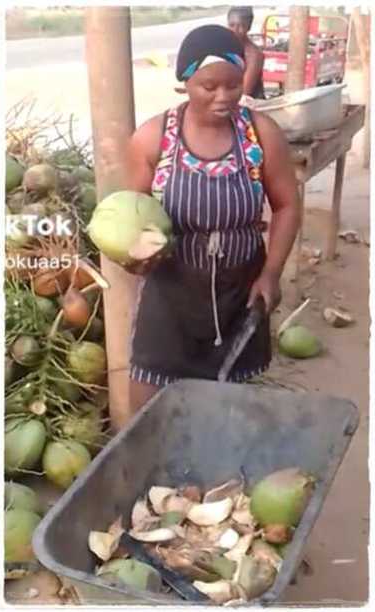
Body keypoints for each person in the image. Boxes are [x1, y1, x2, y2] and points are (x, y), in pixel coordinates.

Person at [121, 25, 300, 429]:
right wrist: (136, 256)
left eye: (234, 85)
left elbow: (287, 205)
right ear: (184, 81)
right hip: (170, 296)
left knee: (233, 414)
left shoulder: (260, 135)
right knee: (151, 412)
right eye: (209, 86)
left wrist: (272, 273)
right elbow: (132, 215)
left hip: (240, 291)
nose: (224, 97)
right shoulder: (153, 139)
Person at [227, 6, 266, 100]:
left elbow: (245, 91)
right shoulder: (226, 47)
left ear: (248, 28)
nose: (235, 30)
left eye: (241, 26)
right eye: (232, 25)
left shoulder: (253, 55)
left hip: (250, 103)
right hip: (230, 97)